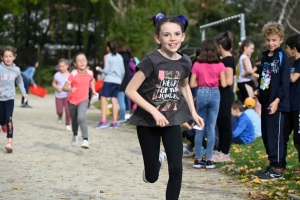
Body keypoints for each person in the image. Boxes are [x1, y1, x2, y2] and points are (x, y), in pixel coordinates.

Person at [125, 13, 204, 200]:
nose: (172, 38)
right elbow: (130, 90)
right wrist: (154, 111)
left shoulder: (185, 61)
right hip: (147, 122)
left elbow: (184, 85)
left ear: (183, 36)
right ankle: (157, 160)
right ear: (158, 38)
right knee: (152, 177)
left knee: (177, 169)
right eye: (167, 35)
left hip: (172, 119)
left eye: (177, 34)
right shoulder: (151, 60)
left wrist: (193, 111)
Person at [253, 21, 290, 180]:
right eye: (268, 40)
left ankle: (278, 168)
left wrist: (276, 101)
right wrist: (258, 90)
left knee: (276, 136)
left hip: (278, 104)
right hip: (266, 102)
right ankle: (272, 163)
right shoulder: (264, 56)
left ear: (281, 39)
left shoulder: (282, 57)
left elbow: (284, 82)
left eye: (274, 40)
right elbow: (264, 77)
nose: (271, 43)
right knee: (267, 136)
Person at [189, 38, 227, 169]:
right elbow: (225, 83)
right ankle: (209, 160)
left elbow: (192, 83)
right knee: (211, 127)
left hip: (202, 92)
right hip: (215, 92)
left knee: (200, 126)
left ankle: (198, 159)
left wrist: (202, 82)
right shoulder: (220, 65)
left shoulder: (197, 65)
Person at [62, 53, 97, 149]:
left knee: (81, 117)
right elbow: (64, 87)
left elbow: (92, 80)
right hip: (72, 101)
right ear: (75, 64)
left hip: (84, 100)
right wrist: (70, 89)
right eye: (79, 60)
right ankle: (75, 134)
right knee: (74, 121)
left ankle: (85, 140)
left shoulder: (90, 73)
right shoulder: (72, 74)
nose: (82, 62)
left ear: (86, 61)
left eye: (84, 60)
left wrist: (93, 90)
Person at [213, 31, 236, 162]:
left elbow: (228, 81)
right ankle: (220, 150)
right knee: (220, 123)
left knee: (225, 123)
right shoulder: (224, 60)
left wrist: (215, 79)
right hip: (221, 95)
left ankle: (225, 152)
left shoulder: (227, 61)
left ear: (220, 46)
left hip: (226, 96)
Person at [0, 46, 28, 153]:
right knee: (1, 120)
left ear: (14, 57)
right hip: (0, 98)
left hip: (10, 98)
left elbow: (20, 81)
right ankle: (2, 125)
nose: (8, 58)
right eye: (6, 56)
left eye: (10, 56)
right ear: (2, 57)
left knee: (9, 119)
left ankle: (9, 142)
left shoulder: (16, 70)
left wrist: (24, 92)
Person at [94, 40, 125, 129]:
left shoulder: (108, 56)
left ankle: (104, 121)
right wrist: (120, 80)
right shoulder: (120, 57)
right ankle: (114, 122)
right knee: (114, 101)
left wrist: (99, 69)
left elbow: (106, 70)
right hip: (118, 81)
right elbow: (123, 71)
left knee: (103, 99)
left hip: (109, 80)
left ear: (108, 47)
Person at [283, 34, 300, 173]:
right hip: (290, 106)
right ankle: (279, 165)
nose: (286, 51)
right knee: (283, 135)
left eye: (287, 48)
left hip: (298, 106)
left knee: (299, 139)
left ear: (294, 49)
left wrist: (282, 72)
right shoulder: (294, 63)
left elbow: (293, 78)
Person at [52, 58, 71, 131]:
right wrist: (57, 87)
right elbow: (53, 83)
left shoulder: (70, 75)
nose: (61, 68)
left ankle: (67, 124)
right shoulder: (57, 75)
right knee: (59, 111)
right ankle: (60, 116)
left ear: (67, 66)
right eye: (60, 66)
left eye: (63, 66)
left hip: (68, 95)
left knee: (68, 110)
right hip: (59, 95)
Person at [116, 45, 131, 124]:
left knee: (121, 100)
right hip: (127, 81)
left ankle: (122, 117)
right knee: (126, 99)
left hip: (120, 81)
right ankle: (127, 114)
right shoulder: (127, 58)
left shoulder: (119, 59)